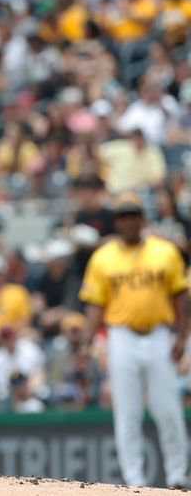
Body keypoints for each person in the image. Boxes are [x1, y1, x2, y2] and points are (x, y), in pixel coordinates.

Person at [79, 192, 189, 488]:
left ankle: (177, 475)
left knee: (168, 410)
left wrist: (182, 335)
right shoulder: (103, 257)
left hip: (158, 335)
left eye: (133, 215)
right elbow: (95, 305)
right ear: (116, 221)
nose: (128, 220)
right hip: (121, 337)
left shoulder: (165, 251)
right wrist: (88, 341)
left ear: (143, 218)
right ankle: (134, 480)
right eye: (123, 216)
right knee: (127, 412)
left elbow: (181, 296)